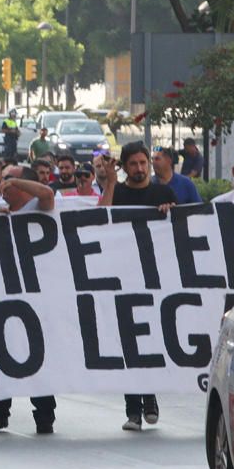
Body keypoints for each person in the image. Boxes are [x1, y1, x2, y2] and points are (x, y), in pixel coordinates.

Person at [97, 143, 177, 431]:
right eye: (134, 164)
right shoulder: (116, 192)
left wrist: (171, 212)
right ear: (125, 166)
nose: (140, 168)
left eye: (144, 163)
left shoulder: (163, 193)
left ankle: (150, 398)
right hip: (121, 277)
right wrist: (109, 184)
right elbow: (99, 218)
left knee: (150, 340)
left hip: (155, 280)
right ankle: (132, 409)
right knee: (127, 344)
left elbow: (181, 229)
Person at [0, 165, 57, 434]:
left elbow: (47, 193)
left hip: (37, 299)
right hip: (3, 296)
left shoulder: (38, 205)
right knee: (0, 354)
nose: (2, 186)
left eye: (8, 181)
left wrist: (15, 181)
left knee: (37, 358)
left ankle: (44, 414)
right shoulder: (0, 211)